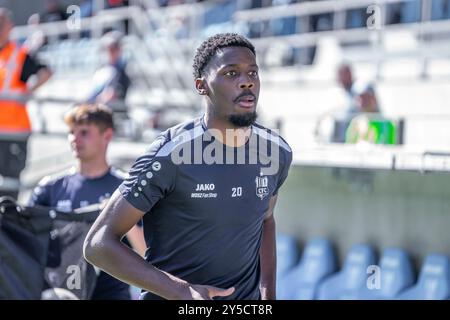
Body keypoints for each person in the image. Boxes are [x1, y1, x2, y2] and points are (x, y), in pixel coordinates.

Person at [83, 33, 293, 300]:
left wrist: (268, 293)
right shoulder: (170, 154)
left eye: (253, 72)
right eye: (231, 73)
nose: (246, 81)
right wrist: (182, 291)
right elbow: (98, 243)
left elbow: (265, 219)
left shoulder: (277, 152)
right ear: (201, 85)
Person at [29, 103, 146, 299]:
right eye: (71, 132)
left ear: (107, 135)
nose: (74, 139)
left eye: (84, 132)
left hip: (112, 294)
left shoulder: (129, 188)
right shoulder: (49, 188)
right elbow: (28, 244)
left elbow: (147, 254)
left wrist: (115, 214)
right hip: (60, 291)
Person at [0, 8, 52, 199]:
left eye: (2, 22)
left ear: (10, 27)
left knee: (11, 183)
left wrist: (29, 91)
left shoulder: (19, 55)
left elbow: (46, 71)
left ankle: (9, 224)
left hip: (15, 130)